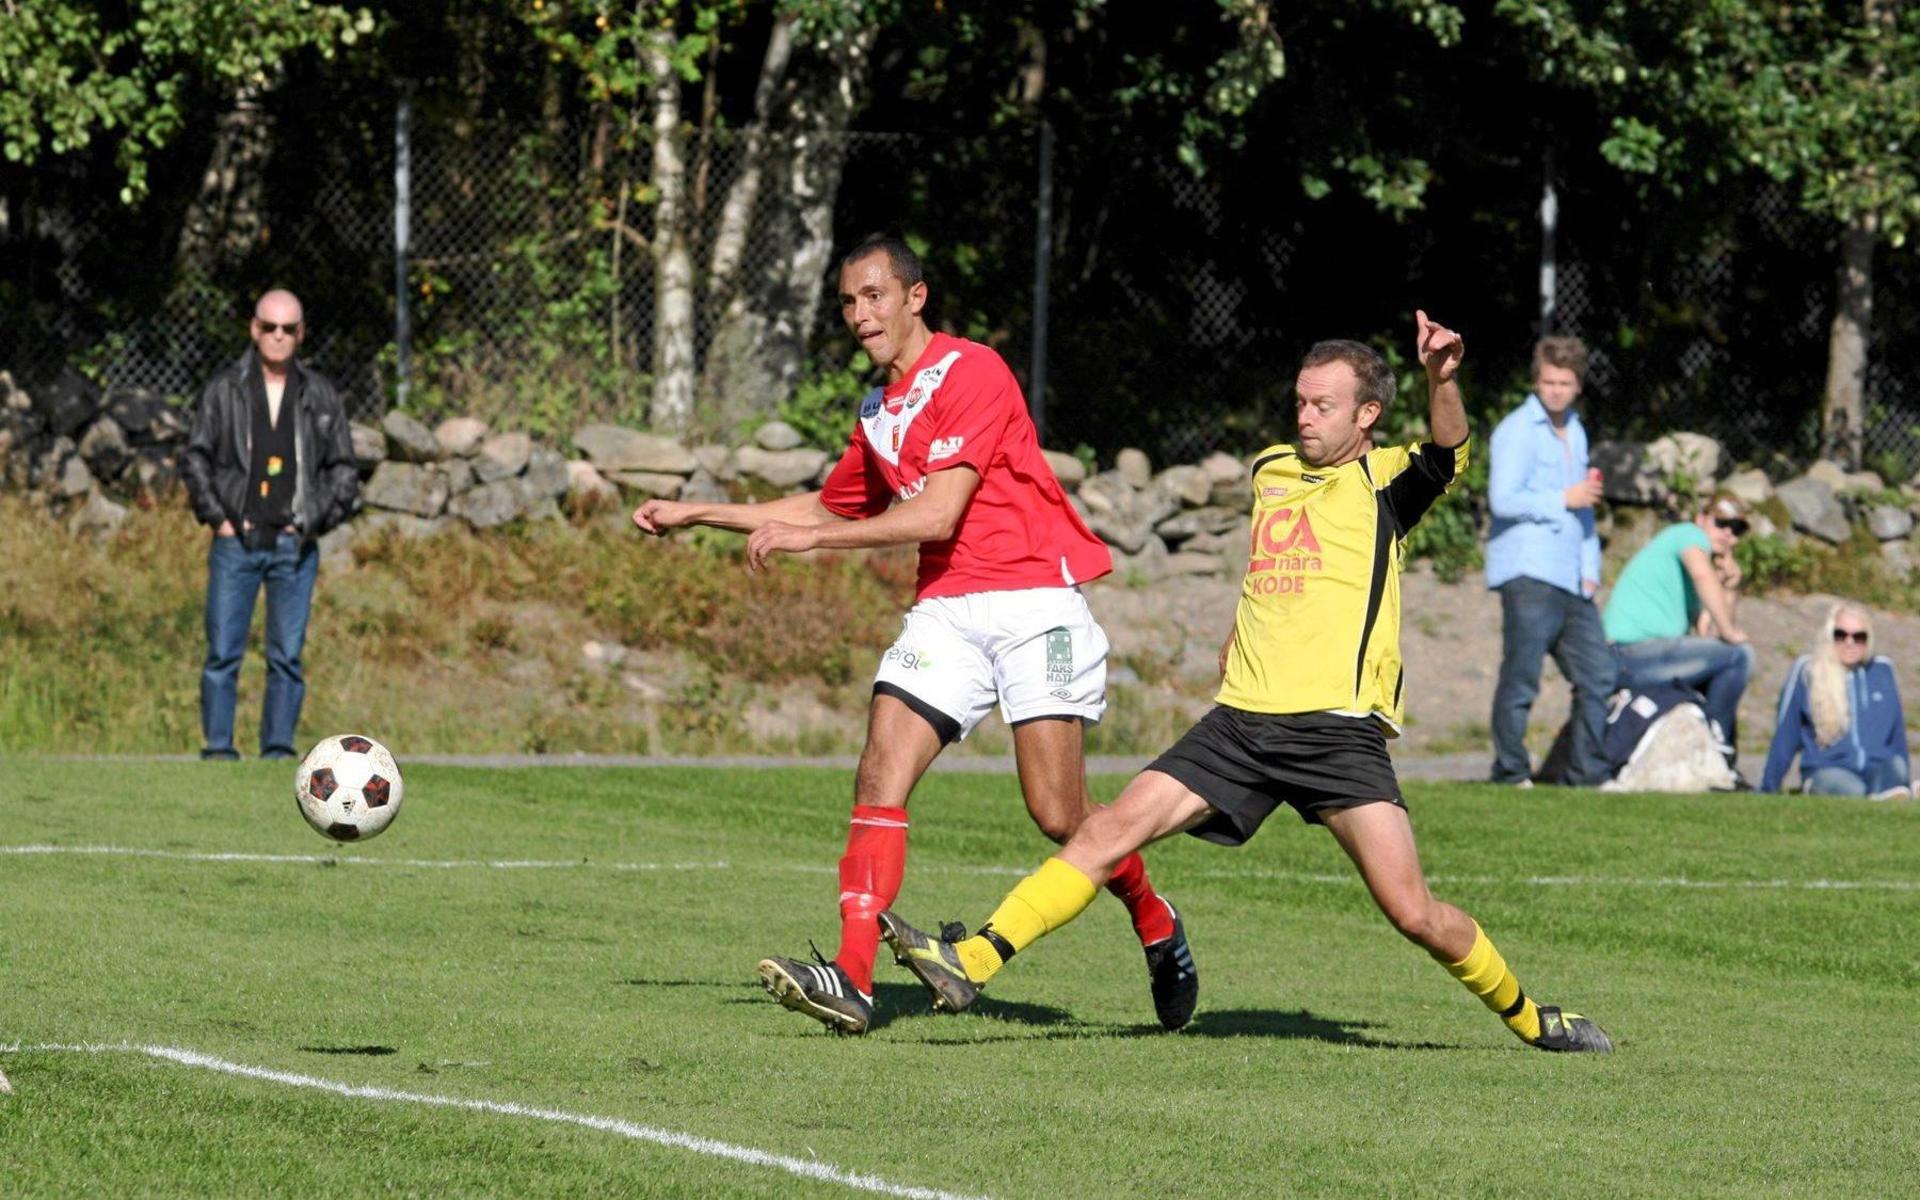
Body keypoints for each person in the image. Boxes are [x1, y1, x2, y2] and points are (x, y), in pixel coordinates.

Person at [881, 313, 1614, 1054]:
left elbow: (1451, 449)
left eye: (1323, 406)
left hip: (1336, 731)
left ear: (1367, 416)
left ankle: (1532, 1017)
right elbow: (1272, 574)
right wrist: (1241, 629)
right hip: (1240, 723)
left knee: (1413, 911)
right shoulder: (1271, 471)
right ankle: (971, 960)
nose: (1304, 416)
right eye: (1300, 401)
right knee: (1109, 828)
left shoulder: (1385, 479)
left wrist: (1441, 378)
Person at [631, 234, 1195, 1036]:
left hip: (1035, 604)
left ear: (914, 297)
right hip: (949, 611)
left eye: (874, 297)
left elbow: (934, 514)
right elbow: (829, 509)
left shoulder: (972, 372)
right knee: (879, 772)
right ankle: (852, 979)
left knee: (1062, 817)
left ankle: (1153, 915)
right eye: (848, 304)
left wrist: (812, 542)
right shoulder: (878, 410)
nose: (861, 316)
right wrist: (702, 513)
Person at [181, 289, 360, 761]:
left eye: (287, 329)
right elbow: (196, 457)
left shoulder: (319, 394)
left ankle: (277, 752)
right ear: (253, 329)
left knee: (286, 656)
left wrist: (317, 520)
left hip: (293, 545)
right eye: (268, 327)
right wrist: (218, 519)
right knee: (223, 652)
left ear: (300, 334)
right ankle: (218, 749)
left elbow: (344, 468)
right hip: (236, 541)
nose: (277, 337)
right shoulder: (224, 389)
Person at [1485, 336, 1616, 786]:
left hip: (1570, 577)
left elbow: (1583, 508)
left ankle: (1587, 775)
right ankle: (1510, 771)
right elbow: (1502, 499)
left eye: (1564, 382)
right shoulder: (1517, 429)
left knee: (1599, 675)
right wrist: (1562, 498)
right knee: (1522, 678)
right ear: (1537, 381)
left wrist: (1590, 567)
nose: (1556, 390)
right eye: (1548, 382)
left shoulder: (1576, 431)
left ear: (1578, 385)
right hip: (1528, 570)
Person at [1602, 495, 1754, 766]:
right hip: (1626, 653)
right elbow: (1703, 577)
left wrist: (1730, 587)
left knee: (1731, 658)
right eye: (1721, 523)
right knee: (1740, 655)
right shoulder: (1687, 534)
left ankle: (1714, 750)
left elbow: (1708, 634)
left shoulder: (1688, 576)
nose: (1729, 534)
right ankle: (1720, 752)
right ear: (1700, 520)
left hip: (1646, 656)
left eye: (1737, 529)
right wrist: (1730, 631)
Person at [1758, 602, 1911, 798]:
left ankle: (1893, 793)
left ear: (1868, 640)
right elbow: (1786, 734)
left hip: (1877, 766)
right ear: (1830, 636)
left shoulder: (1882, 670)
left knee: (1896, 766)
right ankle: (1879, 796)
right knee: (1854, 791)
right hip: (1828, 770)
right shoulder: (1808, 671)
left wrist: (1903, 776)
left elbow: (1897, 735)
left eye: (1859, 637)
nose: (1850, 642)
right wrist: (1768, 786)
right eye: (1841, 635)